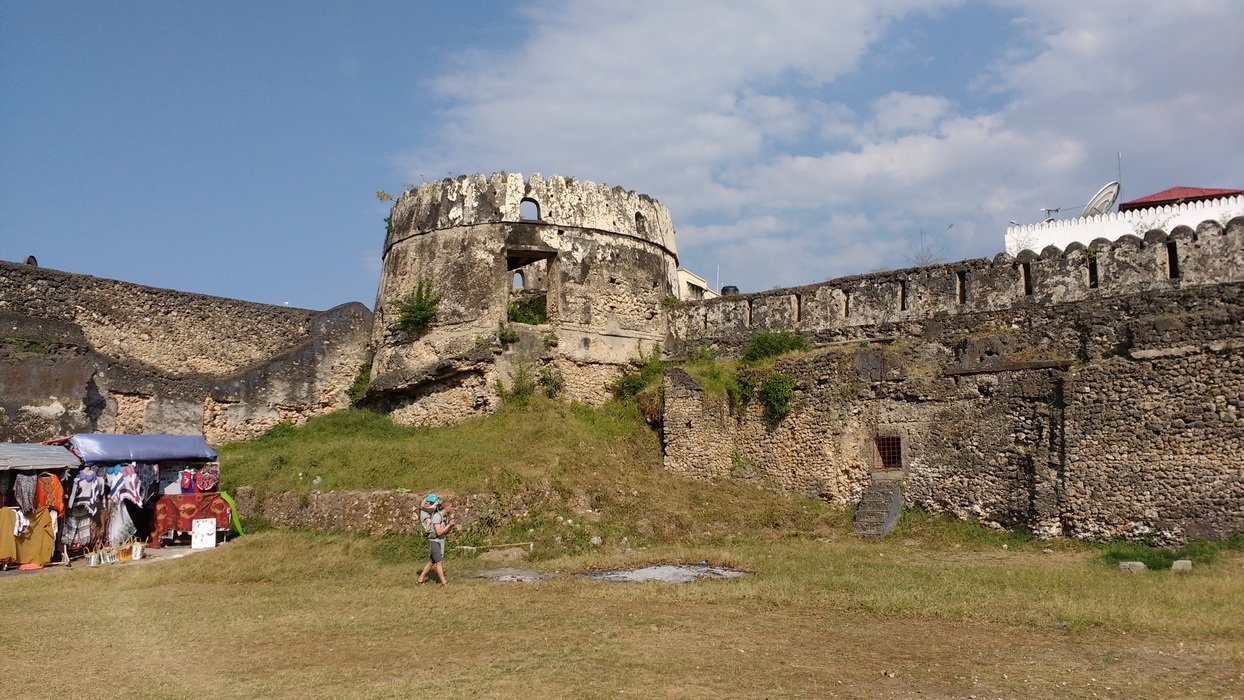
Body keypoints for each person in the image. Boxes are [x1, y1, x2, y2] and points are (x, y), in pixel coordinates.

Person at [417, 493, 456, 586]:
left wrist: (450, 526)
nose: (452, 509)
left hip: (440, 541)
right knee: (439, 562)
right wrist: (448, 525)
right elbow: (438, 532)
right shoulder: (437, 517)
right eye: (451, 507)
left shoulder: (445, 517)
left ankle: (420, 579)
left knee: (431, 562)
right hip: (434, 541)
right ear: (446, 508)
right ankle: (444, 582)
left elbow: (445, 532)